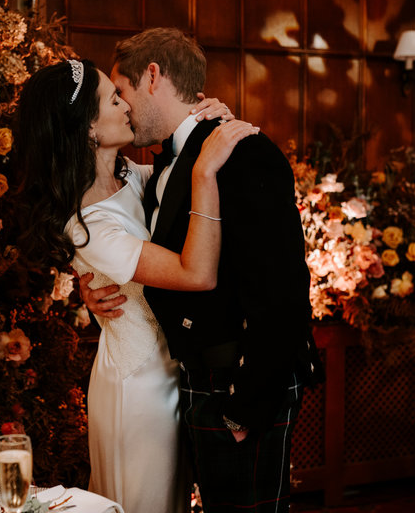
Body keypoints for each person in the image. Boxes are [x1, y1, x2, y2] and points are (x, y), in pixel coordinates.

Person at [80, 27, 324, 513]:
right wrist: (92, 285)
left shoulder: (242, 152)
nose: (123, 107)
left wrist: (244, 409)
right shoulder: (157, 168)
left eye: (122, 91)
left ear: (152, 77)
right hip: (191, 380)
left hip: (242, 383)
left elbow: (284, 290)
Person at [14, 57, 258, 513]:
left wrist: (202, 124)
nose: (126, 104)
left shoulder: (131, 176)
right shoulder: (88, 225)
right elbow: (195, 273)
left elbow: (173, 192)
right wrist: (204, 169)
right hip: (138, 388)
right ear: (88, 129)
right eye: (112, 98)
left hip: (175, 372)